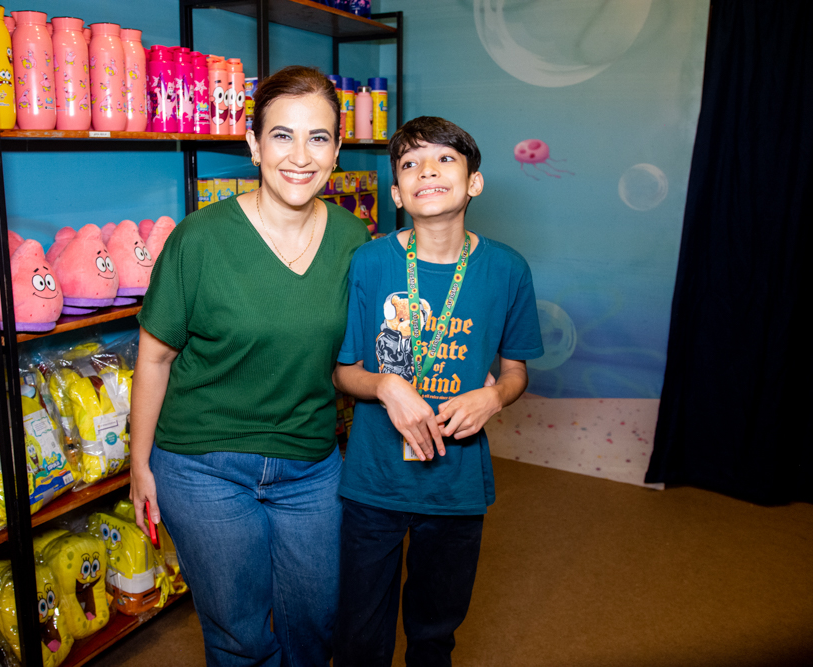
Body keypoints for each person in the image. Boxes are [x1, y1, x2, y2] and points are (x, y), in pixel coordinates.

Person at [128, 65, 371, 667]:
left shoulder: (352, 237)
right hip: (203, 464)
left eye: (318, 138)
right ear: (253, 143)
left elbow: (358, 356)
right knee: (240, 635)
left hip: (311, 462)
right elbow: (155, 357)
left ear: (338, 150)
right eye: (282, 135)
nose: (300, 156)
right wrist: (139, 465)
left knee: (316, 623)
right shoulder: (199, 239)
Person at [331, 116, 544, 667]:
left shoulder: (508, 270)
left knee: (435, 631)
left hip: (456, 485)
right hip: (374, 480)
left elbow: (516, 372)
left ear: (474, 182)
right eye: (409, 164)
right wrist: (385, 386)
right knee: (359, 631)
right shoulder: (371, 262)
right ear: (398, 193)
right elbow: (343, 371)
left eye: (445, 159)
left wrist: (494, 397)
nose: (427, 170)